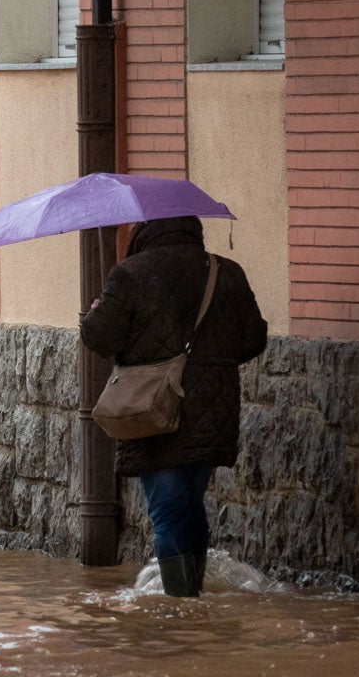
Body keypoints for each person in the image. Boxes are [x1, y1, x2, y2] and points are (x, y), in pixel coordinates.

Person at [80, 215, 267, 597]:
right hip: (211, 410)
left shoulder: (129, 274)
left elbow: (100, 337)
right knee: (188, 504)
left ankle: (179, 611)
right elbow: (253, 339)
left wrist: (96, 308)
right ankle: (192, 600)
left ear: (145, 233)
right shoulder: (225, 271)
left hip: (151, 408)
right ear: (192, 229)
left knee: (167, 513)